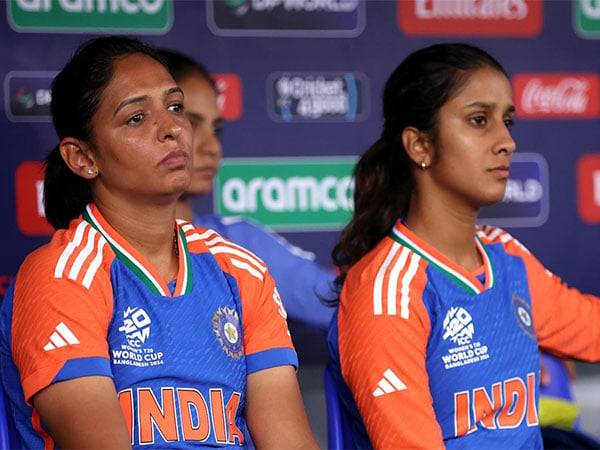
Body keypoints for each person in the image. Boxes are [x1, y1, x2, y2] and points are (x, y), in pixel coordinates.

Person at [0, 36, 319, 450]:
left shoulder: (241, 269)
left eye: (174, 108)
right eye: (136, 118)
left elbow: (289, 442)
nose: (172, 129)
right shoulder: (60, 276)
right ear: (82, 158)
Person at [328, 43, 600, 449]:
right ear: (419, 145)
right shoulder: (387, 292)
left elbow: (591, 331)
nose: (506, 141)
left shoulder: (503, 255)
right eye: (479, 120)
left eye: (507, 121)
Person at [159, 49, 335, 331]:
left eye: (216, 129)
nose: (212, 146)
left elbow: (343, 303)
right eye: (190, 124)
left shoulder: (237, 241)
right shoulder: (84, 255)